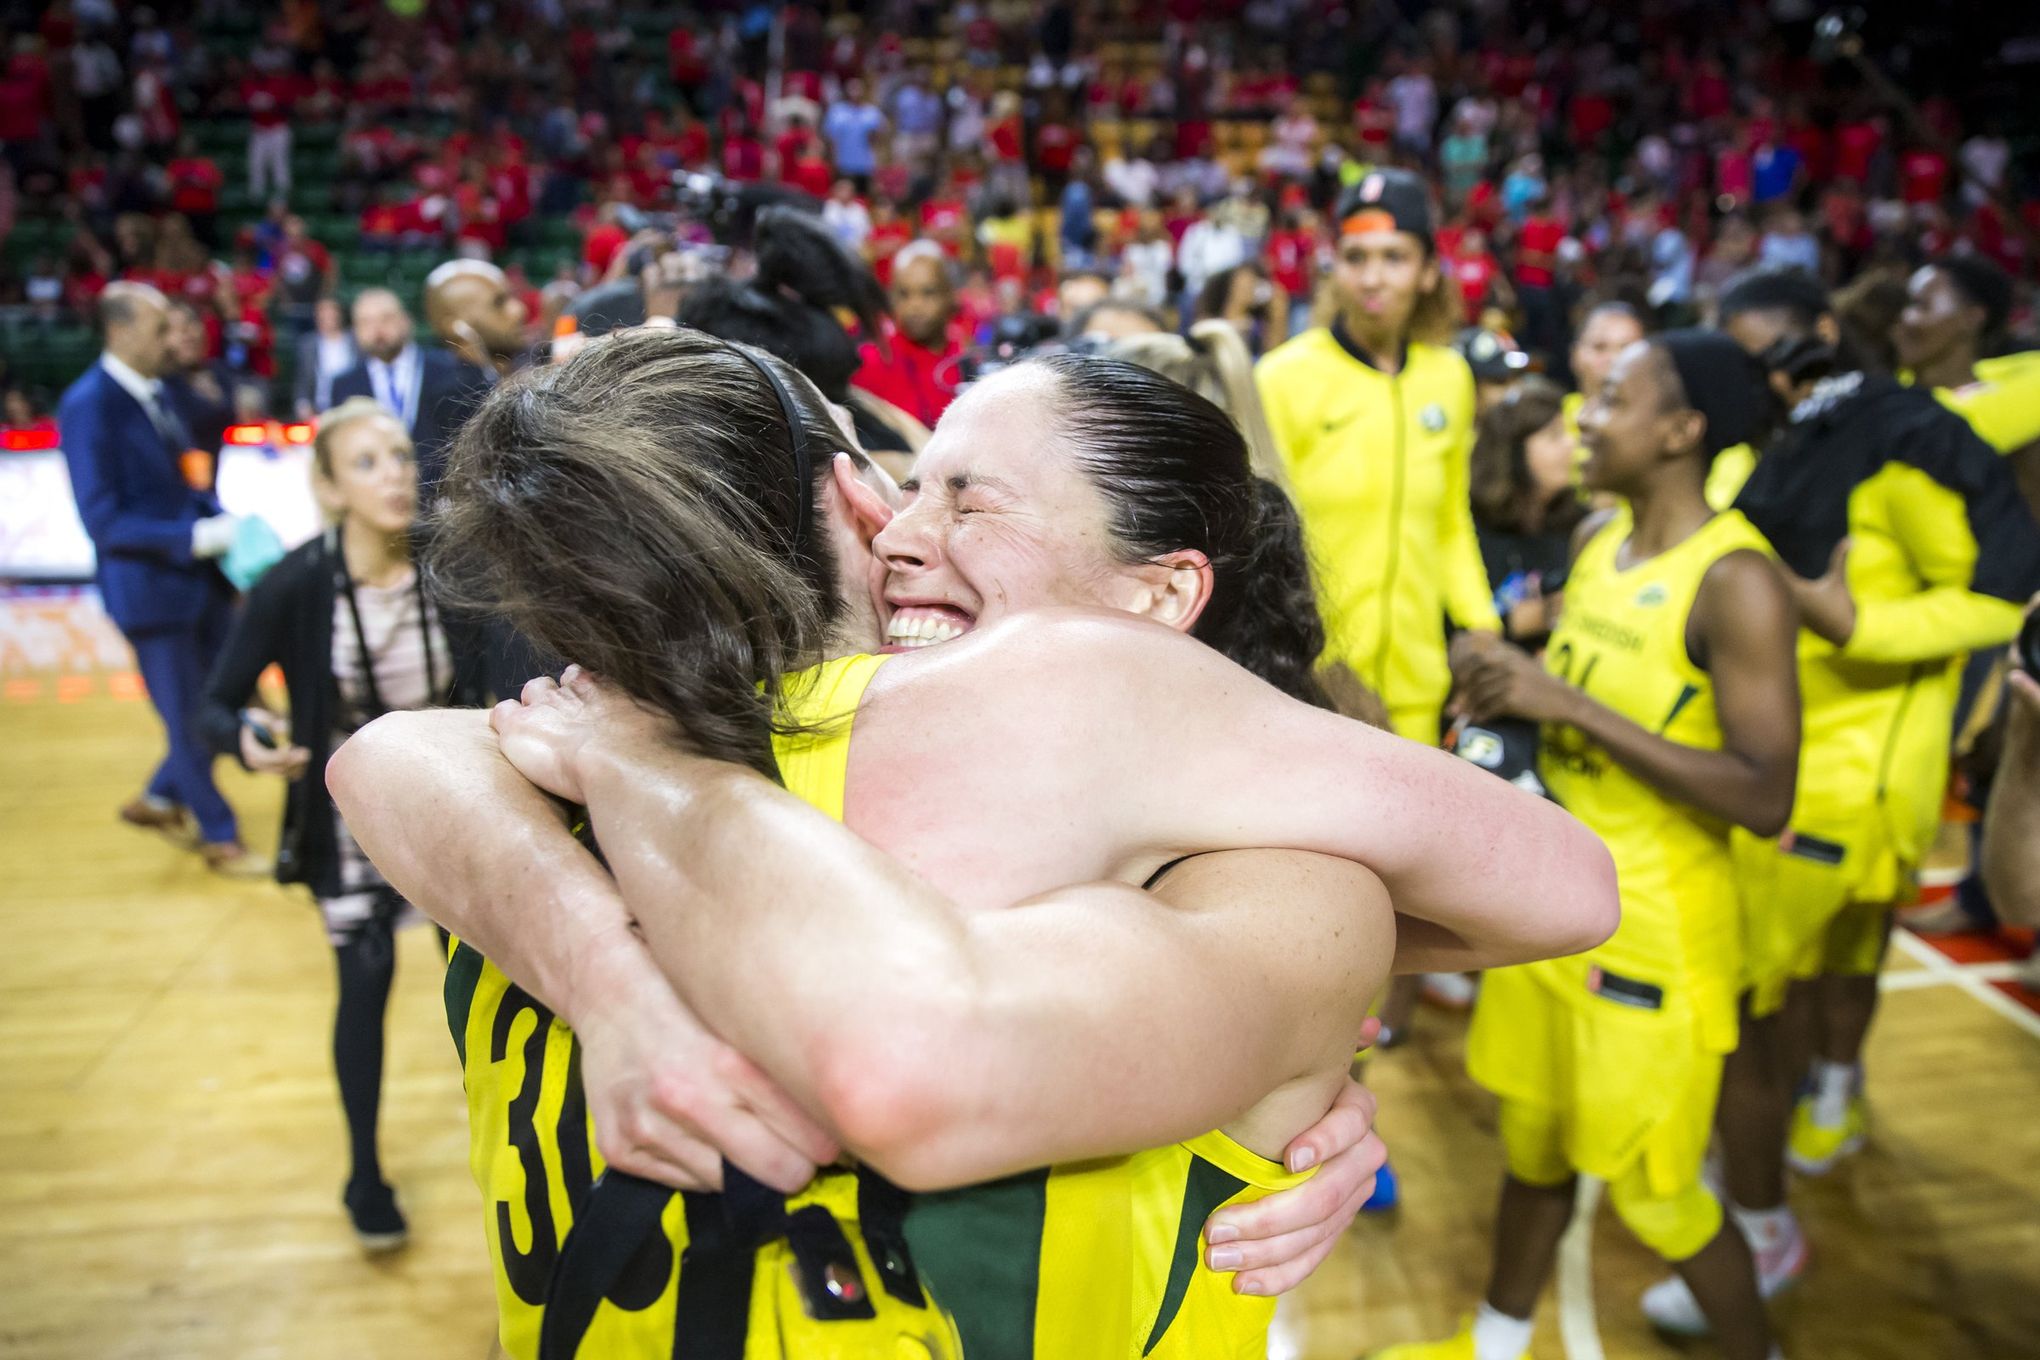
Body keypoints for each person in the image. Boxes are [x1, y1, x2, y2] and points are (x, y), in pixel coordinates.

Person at [331, 333, 1618, 1359]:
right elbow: (1563, 882)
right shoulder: (1061, 716)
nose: (907, 531)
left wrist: (1290, 1025)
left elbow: (380, 754)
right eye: (905, 480)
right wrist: (1312, 1001)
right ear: (845, 488)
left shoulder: (518, 767)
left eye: (965, 493)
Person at [1380, 331, 1802, 1360]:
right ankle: (1492, 1343)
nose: (1584, 414)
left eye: (1613, 397)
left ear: (1681, 431)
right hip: (1549, 912)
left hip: (1653, 936)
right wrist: (1499, 679)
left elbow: (1763, 790)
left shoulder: (1737, 579)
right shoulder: (1596, 544)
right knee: (1533, 1152)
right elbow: (1560, 708)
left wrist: (1562, 699)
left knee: (1660, 1197)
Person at [1668, 272, 2040, 1303]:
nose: (1763, 376)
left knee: (1777, 987)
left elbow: (1996, 595)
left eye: (1771, 352)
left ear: (1821, 339)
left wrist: (1859, 627)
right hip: (1785, 753)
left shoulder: (1900, 449)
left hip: (1849, 772)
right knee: (1795, 977)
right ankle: (1793, 1129)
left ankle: (1766, 1186)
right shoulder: (1768, 449)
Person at [198, 398, 479, 1252]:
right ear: (327, 487)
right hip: (349, 817)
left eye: (400, 456)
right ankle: (365, 1170)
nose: (395, 474)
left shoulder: (454, 564)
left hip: (455, 808)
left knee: (478, 996)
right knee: (362, 987)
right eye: (366, 462)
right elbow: (215, 703)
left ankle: (509, 1149)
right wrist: (248, 744)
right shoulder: (295, 583)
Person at [1255, 168, 1499, 745]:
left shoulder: (1450, 377)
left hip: (1420, 689)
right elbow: (1267, 543)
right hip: (1313, 685)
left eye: (1394, 257)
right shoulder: (1284, 378)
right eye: (1356, 257)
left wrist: (1483, 627)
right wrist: (1315, 662)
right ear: (1333, 267)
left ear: (1427, 271)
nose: (1373, 278)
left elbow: (1448, 520)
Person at [57, 283, 251, 871]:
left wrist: (216, 523)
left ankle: (162, 795)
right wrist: (189, 537)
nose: (174, 337)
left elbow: (184, 481)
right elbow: (102, 518)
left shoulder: (159, 392)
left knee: (224, 698)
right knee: (190, 715)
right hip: (150, 592)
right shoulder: (89, 403)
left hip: (200, 582)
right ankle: (220, 837)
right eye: (160, 327)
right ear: (119, 330)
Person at [329, 288, 489, 494]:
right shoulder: (345, 385)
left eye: (386, 319)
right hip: (377, 497)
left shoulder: (450, 369)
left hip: (444, 495)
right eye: (366, 322)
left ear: (406, 321)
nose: (377, 330)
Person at [1466, 377, 1583, 649]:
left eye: (1568, 432)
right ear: (1514, 450)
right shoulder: (1472, 529)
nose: (1571, 445)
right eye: (1554, 436)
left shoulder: (1578, 523)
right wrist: (1533, 617)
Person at [851, 240, 964, 429]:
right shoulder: (868, 363)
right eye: (904, 294)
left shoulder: (968, 361)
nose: (915, 306)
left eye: (928, 293)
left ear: (950, 295)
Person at [423, 258, 531, 381]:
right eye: (499, 303)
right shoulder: (449, 396)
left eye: (513, 297)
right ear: (455, 328)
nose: (520, 310)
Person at [1562, 300, 1647, 443]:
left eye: (1628, 349)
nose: (1614, 359)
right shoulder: (1548, 425)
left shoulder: (1659, 430)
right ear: (1575, 355)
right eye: (1599, 347)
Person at [293, 296, 360, 420]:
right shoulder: (308, 345)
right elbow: (303, 380)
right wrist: (303, 404)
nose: (327, 317)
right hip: (320, 408)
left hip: (351, 407)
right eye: (322, 312)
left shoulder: (355, 341)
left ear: (339, 314)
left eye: (331, 312)